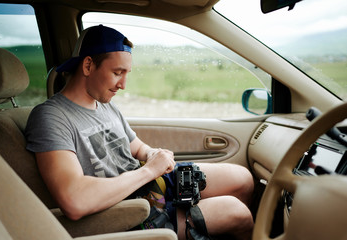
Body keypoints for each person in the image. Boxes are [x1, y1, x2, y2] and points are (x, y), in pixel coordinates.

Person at [25, 25, 254, 240]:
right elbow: (74, 200)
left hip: (149, 186)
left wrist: (153, 154)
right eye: (117, 72)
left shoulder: (105, 104)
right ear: (87, 66)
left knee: (241, 179)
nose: (123, 84)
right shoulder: (51, 117)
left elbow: (135, 147)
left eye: (127, 73)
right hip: (129, 209)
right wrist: (148, 172)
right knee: (238, 213)